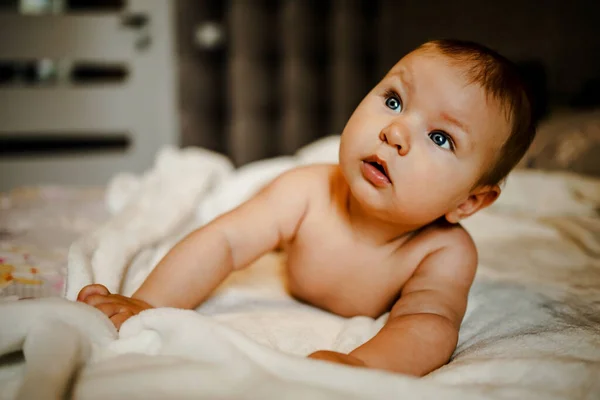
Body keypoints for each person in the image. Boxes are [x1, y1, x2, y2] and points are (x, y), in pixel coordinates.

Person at [77, 39, 536, 377]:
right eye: (394, 100)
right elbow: (225, 242)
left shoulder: (442, 251)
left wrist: (359, 364)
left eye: (440, 138)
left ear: (470, 201)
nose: (395, 132)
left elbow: (429, 324)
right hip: (284, 209)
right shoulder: (308, 192)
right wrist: (147, 303)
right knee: (245, 212)